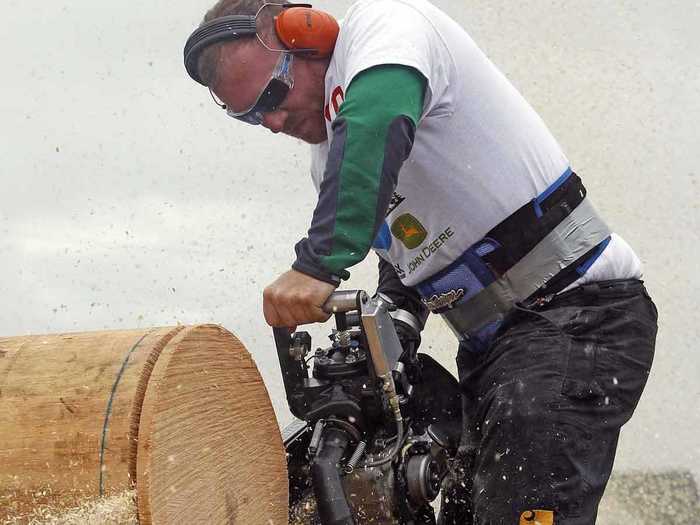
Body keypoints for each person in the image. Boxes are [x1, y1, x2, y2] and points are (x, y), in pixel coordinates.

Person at [183, 1, 658, 523]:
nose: (272, 122)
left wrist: (318, 264)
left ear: (306, 35)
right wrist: (393, 334)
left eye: (272, 95)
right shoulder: (329, 164)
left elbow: (378, 117)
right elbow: (405, 260)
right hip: (496, 351)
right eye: (251, 116)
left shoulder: (387, 27)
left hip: (576, 311)